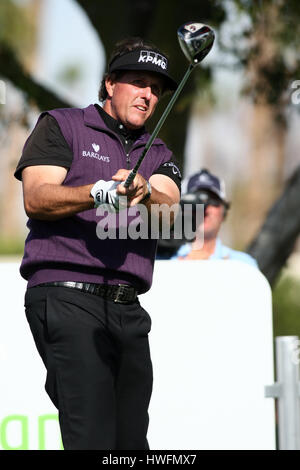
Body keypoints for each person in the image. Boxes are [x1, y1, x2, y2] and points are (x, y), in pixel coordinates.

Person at [14, 37, 181, 450]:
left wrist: (147, 194)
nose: (147, 95)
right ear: (109, 84)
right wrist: (100, 192)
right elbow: (37, 197)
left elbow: (172, 210)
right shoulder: (63, 125)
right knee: (92, 437)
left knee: (131, 445)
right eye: (138, 83)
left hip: (128, 307)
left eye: (155, 89)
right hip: (66, 295)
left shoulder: (157, 151)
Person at [171, 169, 258, 267]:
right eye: (196, 200)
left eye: (213, 201)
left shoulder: (243, 265)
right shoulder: (158, 259)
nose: (204, 208)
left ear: (224, 211)